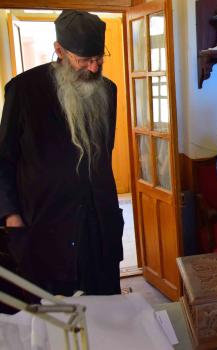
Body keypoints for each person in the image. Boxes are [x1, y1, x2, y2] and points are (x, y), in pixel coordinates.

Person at [0, 10, 123, 298]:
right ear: (59, 50)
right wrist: (11, 215)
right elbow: (4, 159)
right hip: (45, 224)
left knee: (103, 308)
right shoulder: (24, 90)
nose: (93, 69)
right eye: (84, 60)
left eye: (98, 59)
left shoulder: (108, 91)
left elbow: (104, 154)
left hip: (98, 224)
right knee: (53, 315)